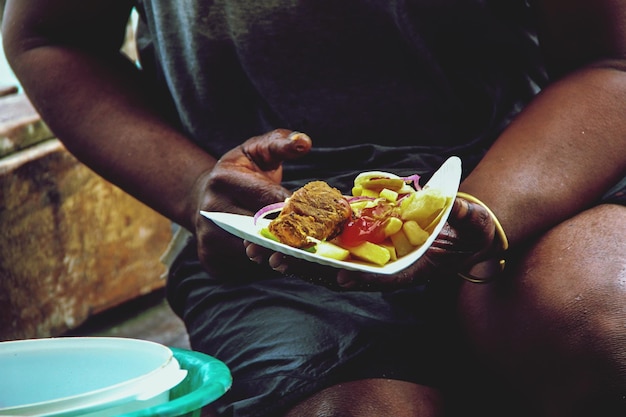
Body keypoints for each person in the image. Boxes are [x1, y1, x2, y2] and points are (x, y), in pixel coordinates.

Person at [3, 1, 625, 416]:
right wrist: (197, 193)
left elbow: (611, 59)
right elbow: (49, 37)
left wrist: (457, 216)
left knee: (599, 323)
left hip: (538, 188)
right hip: (264, 253)